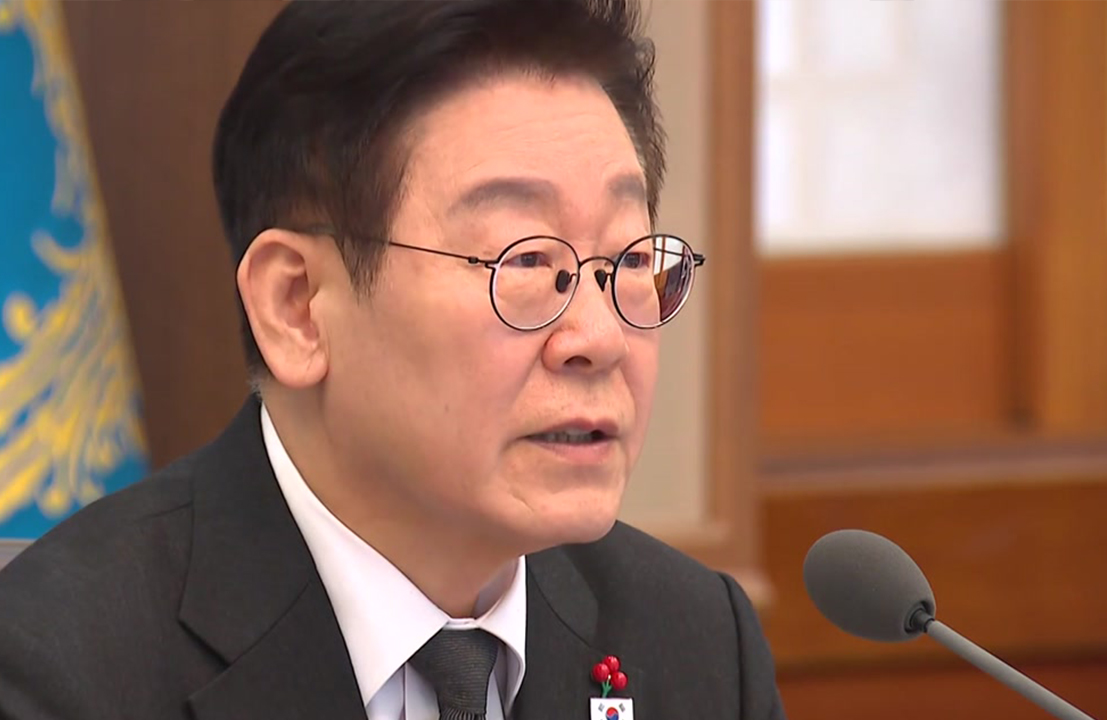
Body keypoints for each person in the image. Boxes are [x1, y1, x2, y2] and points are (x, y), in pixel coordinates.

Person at [0, 1, 787, 718]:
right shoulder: (60, 669)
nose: (600, 338)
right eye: (523, 260)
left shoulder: (694, 643)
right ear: (296, 307)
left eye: (628, 260)